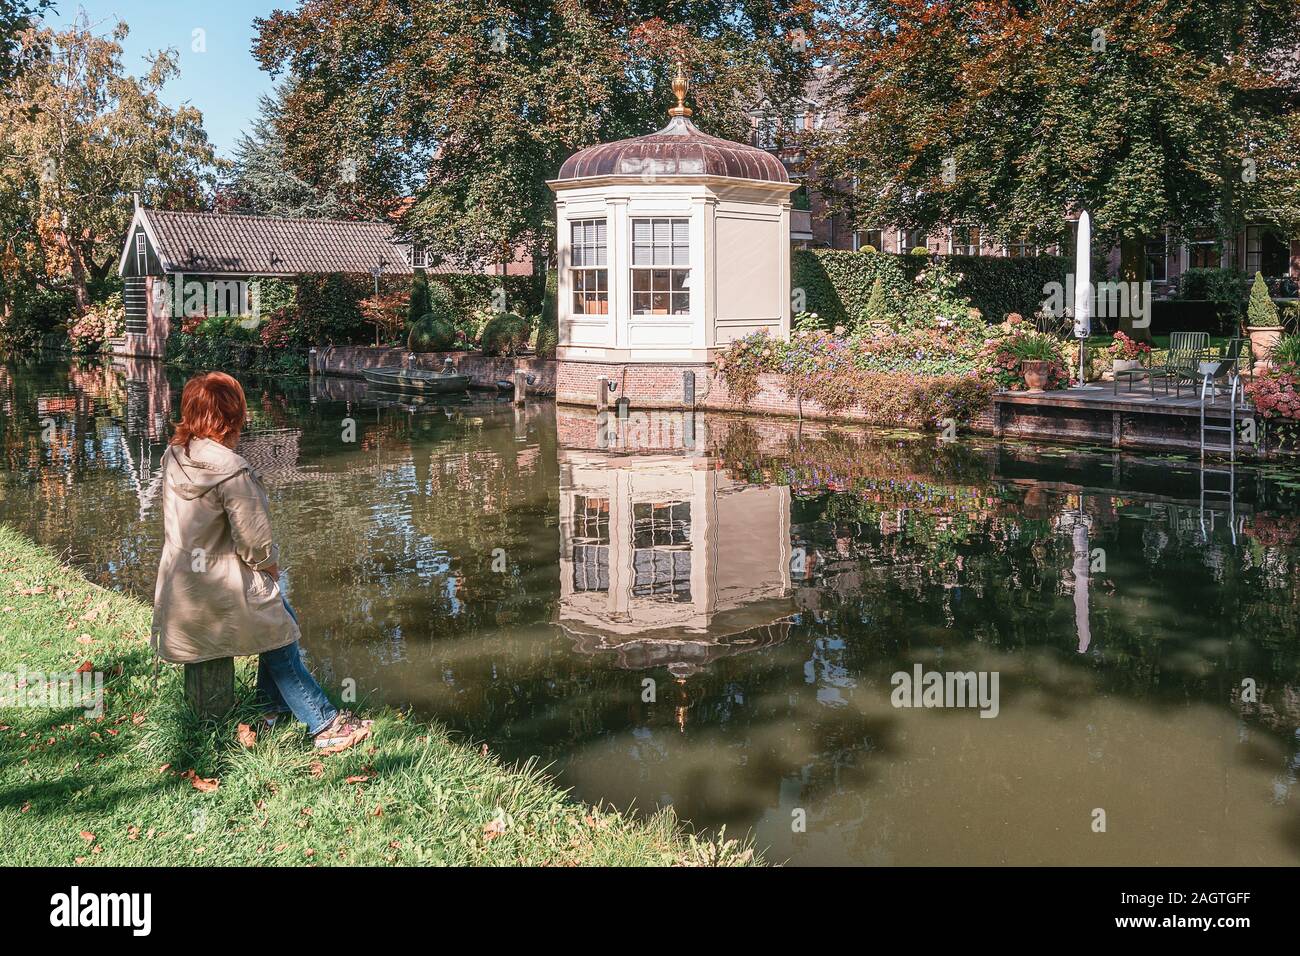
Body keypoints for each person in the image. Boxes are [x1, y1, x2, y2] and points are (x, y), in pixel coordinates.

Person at [151, 371, 371, 752]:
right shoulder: (233, 472)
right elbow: (255, 545)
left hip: (183, 583)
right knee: (282, 635)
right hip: (225, 585)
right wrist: (271, 569)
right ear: (232, 415)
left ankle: (270, 711)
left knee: (283, 623)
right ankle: (325, 725)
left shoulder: (175, 455)